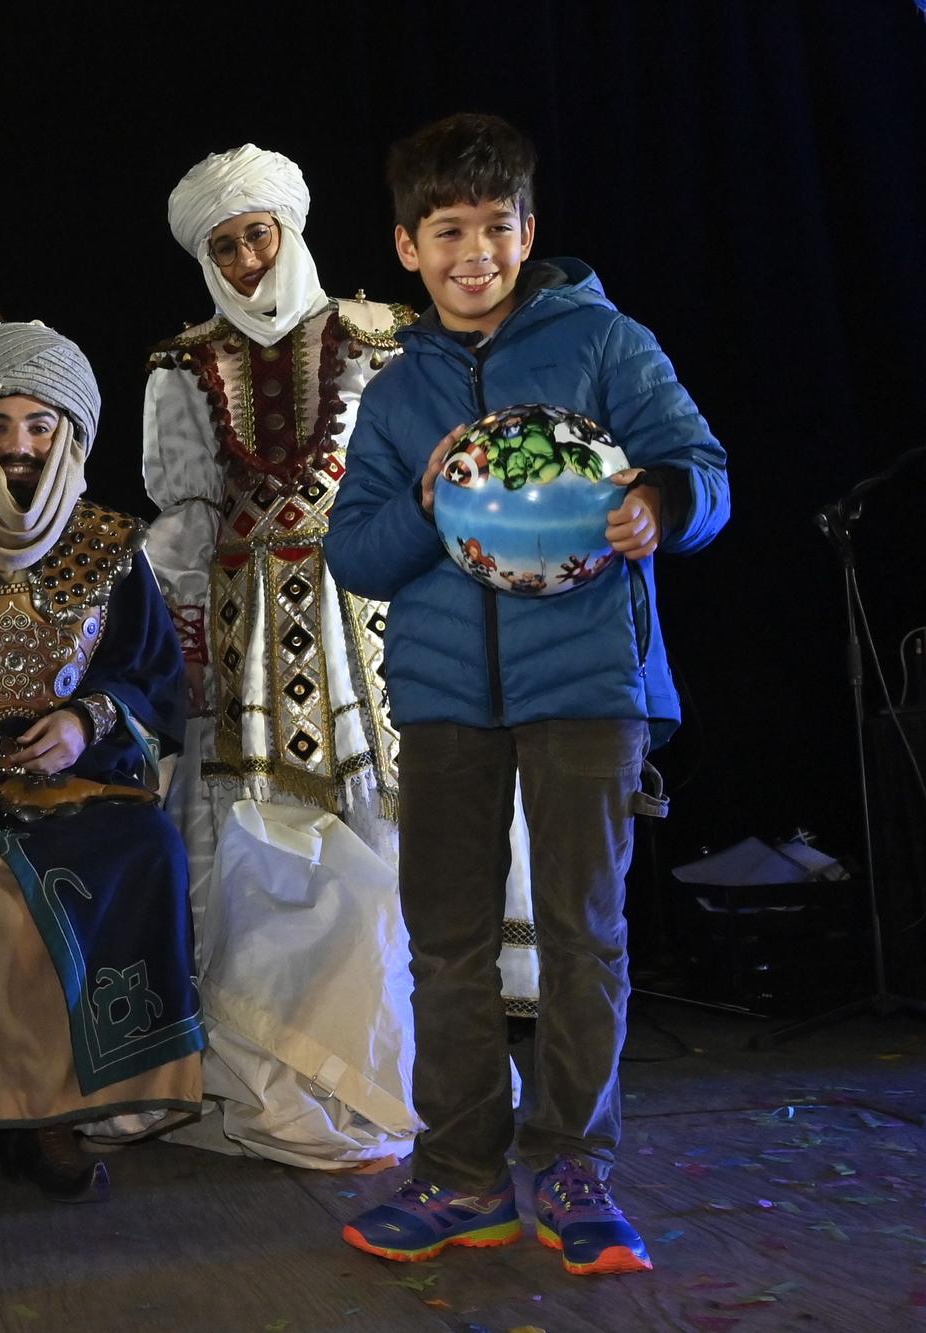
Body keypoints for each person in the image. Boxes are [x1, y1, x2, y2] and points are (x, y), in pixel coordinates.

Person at [327, 113, 729, 1276]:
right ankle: (458, 1175)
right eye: (444, 231)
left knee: (581, 934)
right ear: (407, 247)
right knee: (445, 947)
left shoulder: (604, 343)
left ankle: (573, 1167)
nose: (472, 253)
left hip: (587, 685)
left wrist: (659, 503)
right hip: (446, 694)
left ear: (527, 232)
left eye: (493, 228)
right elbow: (353, 555)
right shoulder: (397, 391)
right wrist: (418, 501)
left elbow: (701, 470)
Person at [144, 145, 438, 1168]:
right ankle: (263, 1062)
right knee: (247, 847)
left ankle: (376, 1069)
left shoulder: (376, 337)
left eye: (255, 234)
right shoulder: (180, 364)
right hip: (239, 631)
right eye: (222, 245)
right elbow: (181, 514)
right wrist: (178, 633)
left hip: (361, 613)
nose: (241, 257)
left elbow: (410, 478)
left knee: (380, 840)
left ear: (289, 231)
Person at [0, 318, 201, 1215]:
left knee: (139, 844)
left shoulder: (108, 545)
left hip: (69, 782)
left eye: (40, 426)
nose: (20, 447)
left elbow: (155, 677)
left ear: (70, 433)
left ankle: (55, 1115)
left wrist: (87, 717)